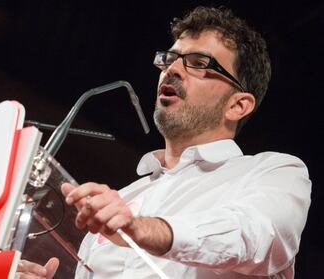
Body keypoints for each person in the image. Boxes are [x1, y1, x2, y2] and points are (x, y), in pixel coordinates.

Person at [17, 6, 311, 279]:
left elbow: (254, 236)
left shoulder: (274, 172)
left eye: (198, 63)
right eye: (169, 59)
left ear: (238, 106)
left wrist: (141, 228)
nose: (172, 70)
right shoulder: (125, 198)